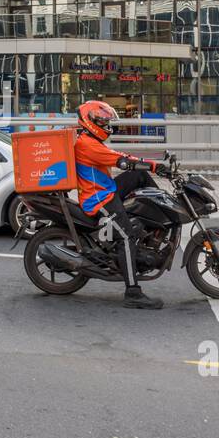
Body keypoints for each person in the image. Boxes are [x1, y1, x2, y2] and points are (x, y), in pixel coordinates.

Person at [73, 99, 169, 310]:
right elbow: (122, 159)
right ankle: (133, 292)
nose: (108, 126)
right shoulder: (87, 144)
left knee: (138, 176)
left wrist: (150, 169)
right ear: (91, 122)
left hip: (105, 188)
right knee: (126, 236)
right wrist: (156, 165)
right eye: (104, 122)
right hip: (98, 199)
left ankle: (157, 215)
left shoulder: (89, 139)